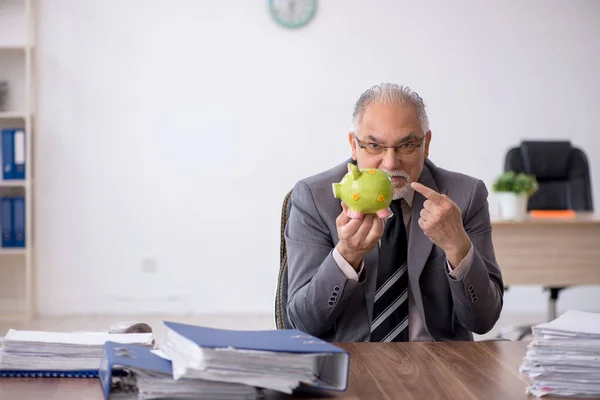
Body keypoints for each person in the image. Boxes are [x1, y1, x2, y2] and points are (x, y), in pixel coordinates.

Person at [284, 83, 504, 342]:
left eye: (407, 145)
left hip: (438, 363)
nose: (390, 163)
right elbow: (301, 324)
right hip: (349, 361)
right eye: (375, 146)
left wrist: (458, 248)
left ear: (426, 144)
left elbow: (483, 321)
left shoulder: (465, 196)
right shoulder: (314, 197)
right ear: (354, 145)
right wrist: (347, 256)